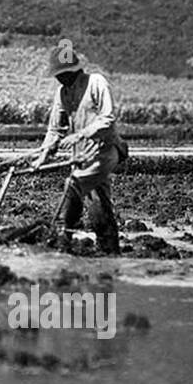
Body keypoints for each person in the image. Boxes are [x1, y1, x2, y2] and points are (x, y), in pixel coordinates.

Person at [31, 43, 126, 254]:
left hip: (104, 150)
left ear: (73, 70)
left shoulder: (96, 82)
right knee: (97, 201)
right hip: (81, 156)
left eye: (62, 74)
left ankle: (66, 235)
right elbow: (55, 129)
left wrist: (80, 134)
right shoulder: (62, 93)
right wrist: (43, 155)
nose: (59, 79)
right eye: (57, 75)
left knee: (73, 184)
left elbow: (107, 119)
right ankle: (109, 249)